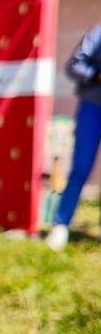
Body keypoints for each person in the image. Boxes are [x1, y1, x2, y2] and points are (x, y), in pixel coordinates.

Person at [47, 21, 101, 250]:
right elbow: (74, 65)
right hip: (92, 106)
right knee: (80, 166)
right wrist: (97, 75)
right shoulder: (98, 33)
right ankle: (60, 224)